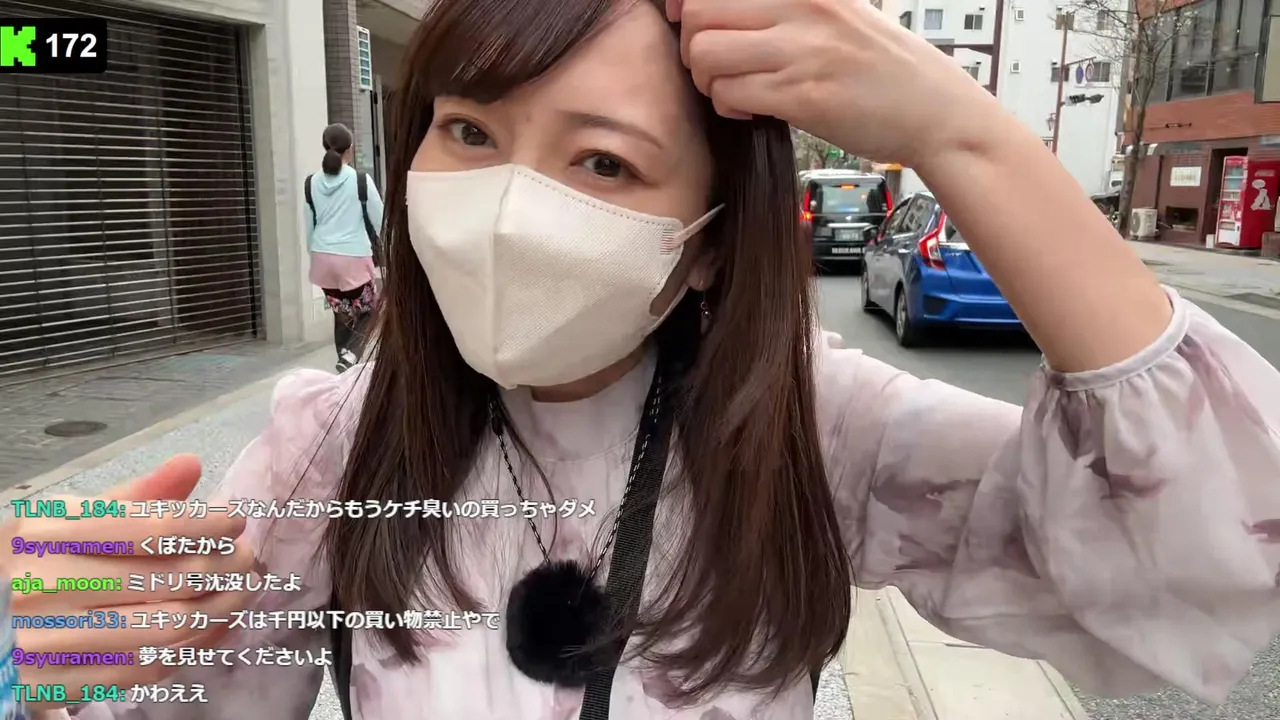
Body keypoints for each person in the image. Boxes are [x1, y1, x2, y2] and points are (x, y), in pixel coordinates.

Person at [16, 0, 1280, 717]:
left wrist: (965, 136)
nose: (508, 210)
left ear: (710, 242)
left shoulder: (813, 432)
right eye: (469, 132)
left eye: (602, 161)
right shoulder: (328, 448)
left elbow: (1202, 551)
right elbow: (184, 691)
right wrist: (57, 654)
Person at [306, 123, 384, 373]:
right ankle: (350, 356)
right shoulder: (361, 181)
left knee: (343, 313)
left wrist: (316, 255)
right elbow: (381, 221)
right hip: (353, 258)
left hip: (322, 259)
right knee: (370, 311)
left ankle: (344, 362)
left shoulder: (311, 183)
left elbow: (309, 227)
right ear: (350, 149)